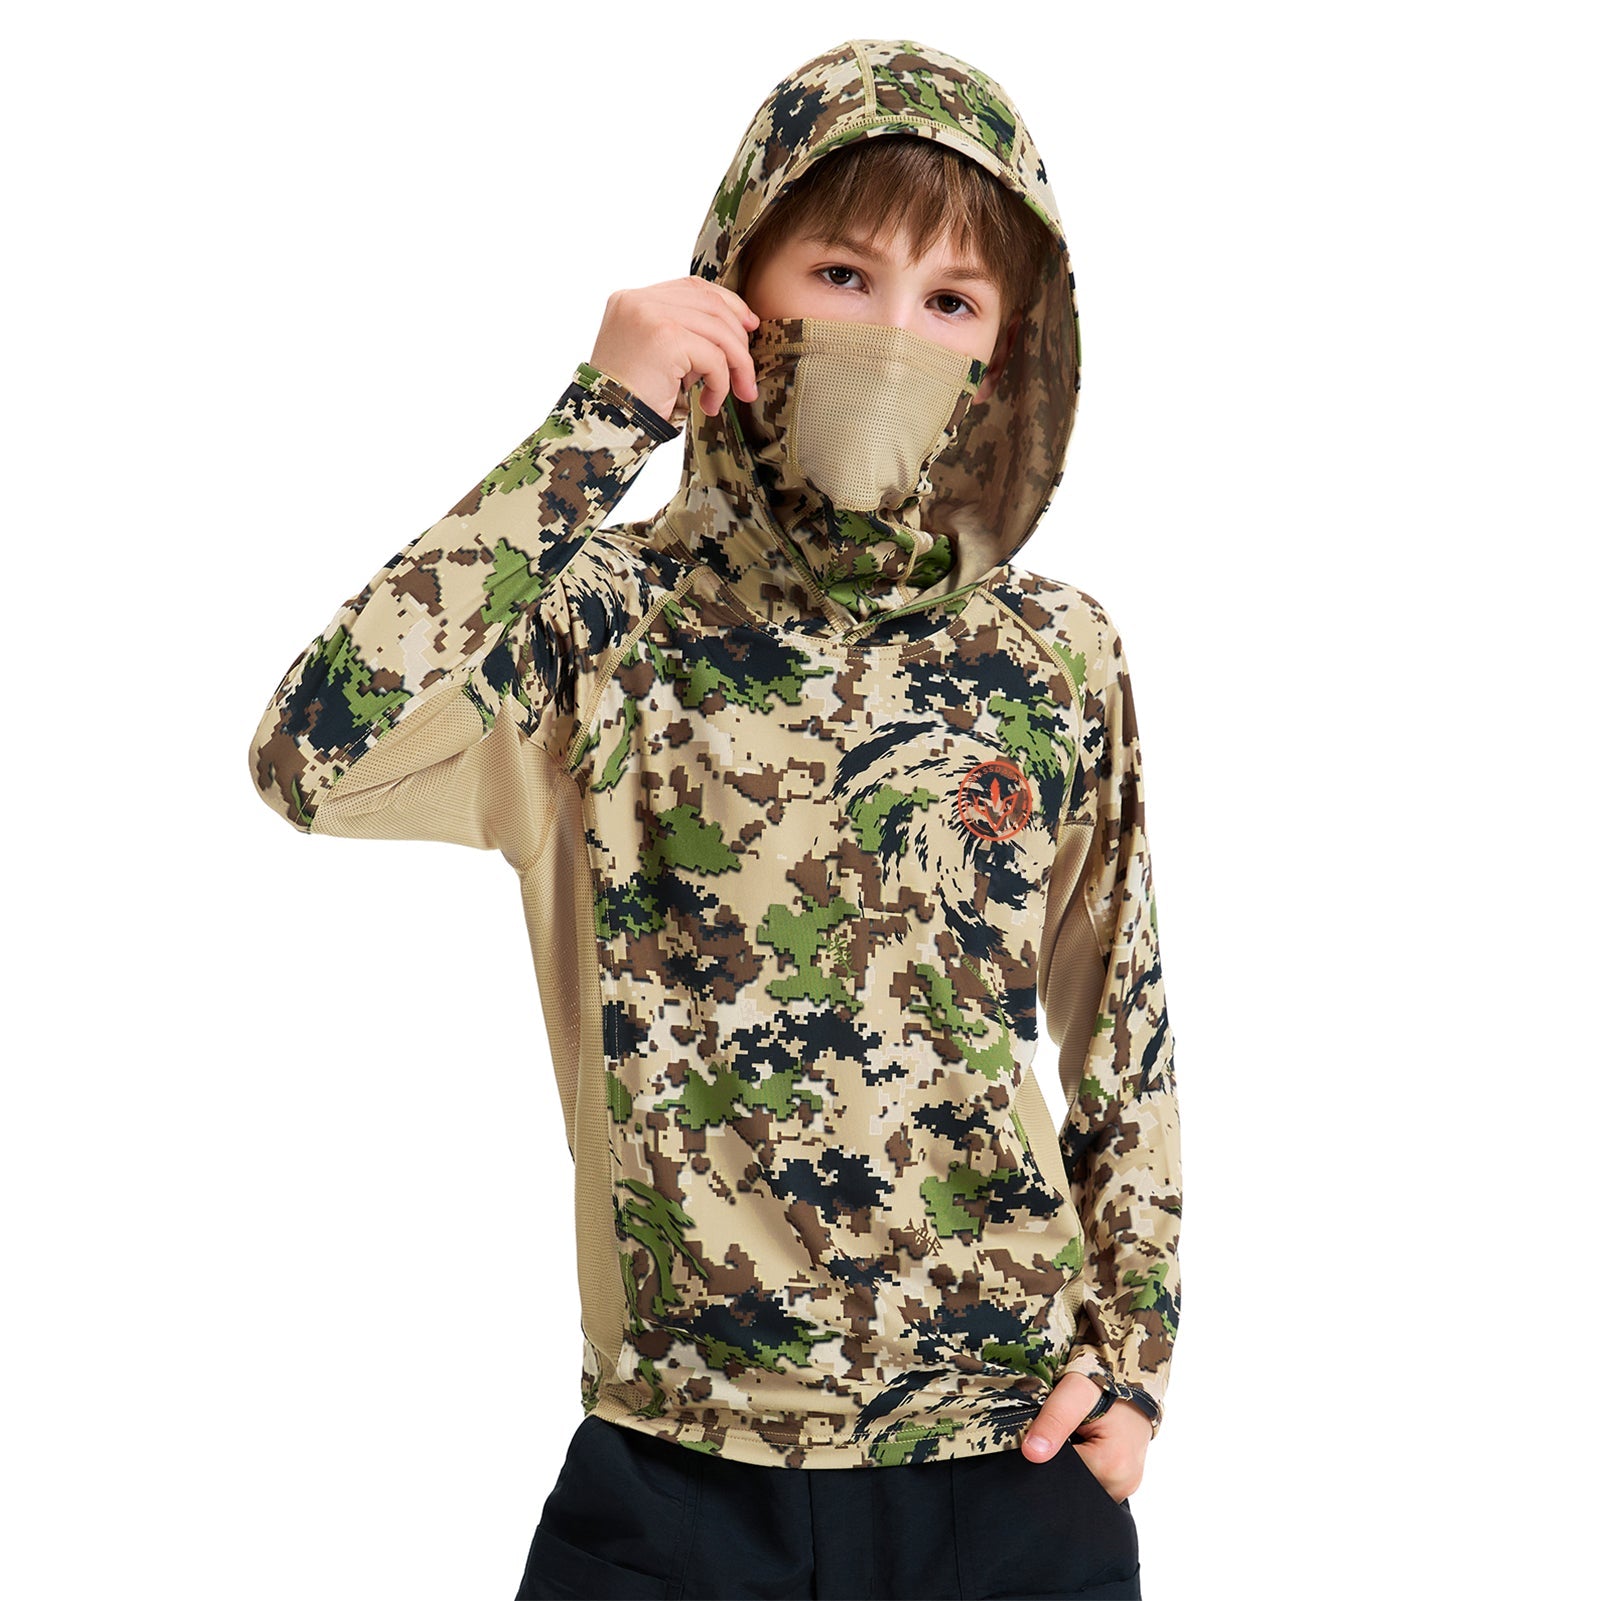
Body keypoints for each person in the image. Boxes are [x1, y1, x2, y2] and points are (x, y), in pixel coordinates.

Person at [246, 35, 1180, 1601]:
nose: (891, 332)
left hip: (1003, 1465)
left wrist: (1133, 1357)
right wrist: (593, 423)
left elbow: (1120, 1017)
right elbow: (309, 755)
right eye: (841, 273)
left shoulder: (1054, 649)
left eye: (950, 301)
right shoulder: (597, 620)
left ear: (1009, 350)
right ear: (735, 285)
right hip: (679, 1471)